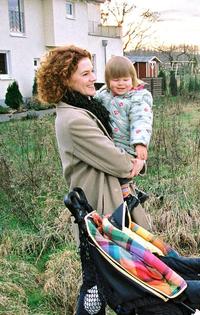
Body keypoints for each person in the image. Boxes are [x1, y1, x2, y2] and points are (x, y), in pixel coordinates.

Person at [36, 45, 150, 315]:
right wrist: (136, 162)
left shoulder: (85, 108)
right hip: (100, 211)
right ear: (66, 78)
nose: (92, 79)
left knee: (117, 281)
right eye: (85, 73)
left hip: (107, 207)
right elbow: (117, 160)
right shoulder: (74, 120)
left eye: (92, 72)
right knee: (98, 285)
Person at [95, 56, 153, 207]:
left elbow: (141, 120)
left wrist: (140, 143)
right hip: (111, 144)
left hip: (128, 145)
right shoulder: (104, 95)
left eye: (125, 79)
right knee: (112, 176)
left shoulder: (137, 99)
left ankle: (129, 198)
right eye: (116, 80)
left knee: (122, 176)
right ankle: (131, 194)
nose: (121, 84)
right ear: (108, 81)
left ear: (133, 79)